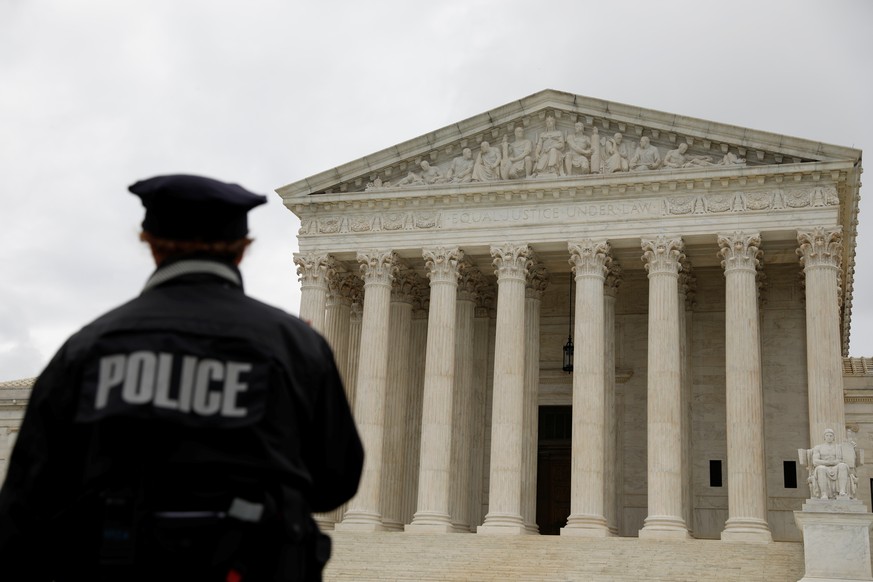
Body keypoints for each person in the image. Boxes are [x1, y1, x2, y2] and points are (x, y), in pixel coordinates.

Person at [0, 175, 364, 581]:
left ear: (149, 243)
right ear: (242, 250)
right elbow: (336, 481)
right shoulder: (295, 347)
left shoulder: (87, 349)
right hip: (252, 564)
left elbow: (25, 505)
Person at [812, 428, 853, 499]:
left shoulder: (838, 447)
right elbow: (815, 461)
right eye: (827, 435)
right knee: (821, 468)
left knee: (843, 466)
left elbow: (846, 457)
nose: (829, 437)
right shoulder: (818, 447)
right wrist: (828, 462)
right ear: (824, 437)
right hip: (824, 466)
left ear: (833, 437)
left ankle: (842, 490)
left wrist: (852, 447)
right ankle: (824, 493)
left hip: (836, 466)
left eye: (831, 435)